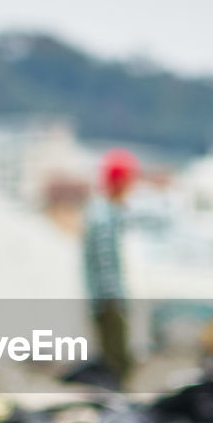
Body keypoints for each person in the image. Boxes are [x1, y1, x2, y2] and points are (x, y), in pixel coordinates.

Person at [83, 149, 138, 388]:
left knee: (115, 360)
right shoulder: (104, 216)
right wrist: (114, 300)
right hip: (109, 300)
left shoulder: (105, 212)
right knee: (117, 361)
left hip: (105, 299)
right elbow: (105, 264)